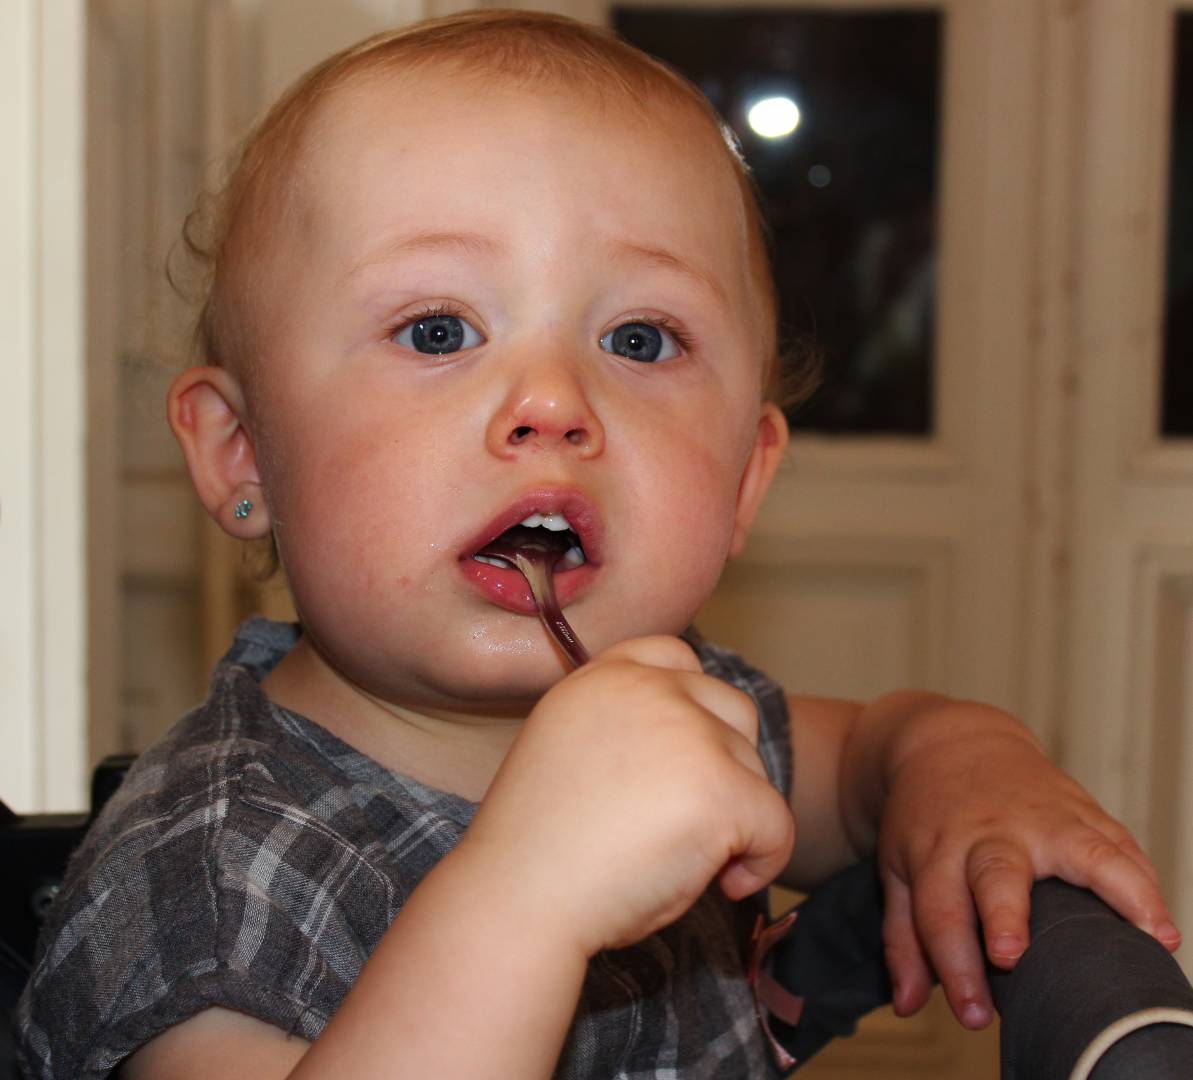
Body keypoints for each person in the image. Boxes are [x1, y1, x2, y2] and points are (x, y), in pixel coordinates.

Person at [17, 10, 1180, 1079]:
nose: (551, 402)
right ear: (243, 456)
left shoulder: (680, 708)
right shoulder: (208, 882)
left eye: (637, 339)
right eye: (437, 329)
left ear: (744, 479)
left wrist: (970, 769)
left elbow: (877, 758)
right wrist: (530, 890)